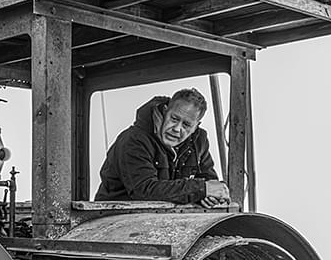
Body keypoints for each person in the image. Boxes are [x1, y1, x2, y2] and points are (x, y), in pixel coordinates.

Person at [95, 88, 231, 207]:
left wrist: (211, 196)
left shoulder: (199, 141)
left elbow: (209, 182)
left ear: (196, 126)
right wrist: (200, 190)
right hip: (114, 218)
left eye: (186, 125)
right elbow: (144, 190)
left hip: (167, 218)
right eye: (174, 119)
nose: (177, 129)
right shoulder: (134, 140)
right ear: (165, 111)